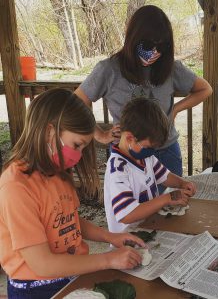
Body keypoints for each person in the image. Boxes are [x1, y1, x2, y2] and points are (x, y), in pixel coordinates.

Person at [0, 88, 145, 299]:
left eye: (83, 148)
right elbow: (43, 264)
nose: (77, 156)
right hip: (36, 288)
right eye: (76, 145)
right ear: (50, 132)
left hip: (71, 276)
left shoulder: (57, 172)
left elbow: (70, 220)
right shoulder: (16, 186)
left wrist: (110, 237)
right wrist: (108, 259)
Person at [75, 5, 212, 182]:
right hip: (126, 154)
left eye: (161, 46)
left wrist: (175, 109)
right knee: (133, 207)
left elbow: (205, 89)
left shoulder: (171, 68)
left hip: (166, 150)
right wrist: (100, 134)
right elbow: (78, 99)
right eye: (147, 45)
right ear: (133, 38)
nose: (154, 52)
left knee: (173, 205)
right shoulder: (109, 69)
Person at [104, 98, 196, 233]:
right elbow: (127, 214)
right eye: (148, 147)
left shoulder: (145, 157)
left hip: (149, 227)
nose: (152, 152)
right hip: (128, 239)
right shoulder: (118, 170)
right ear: (130, 138)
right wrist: (167, 198)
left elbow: (164, 176)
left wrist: (182, 183)